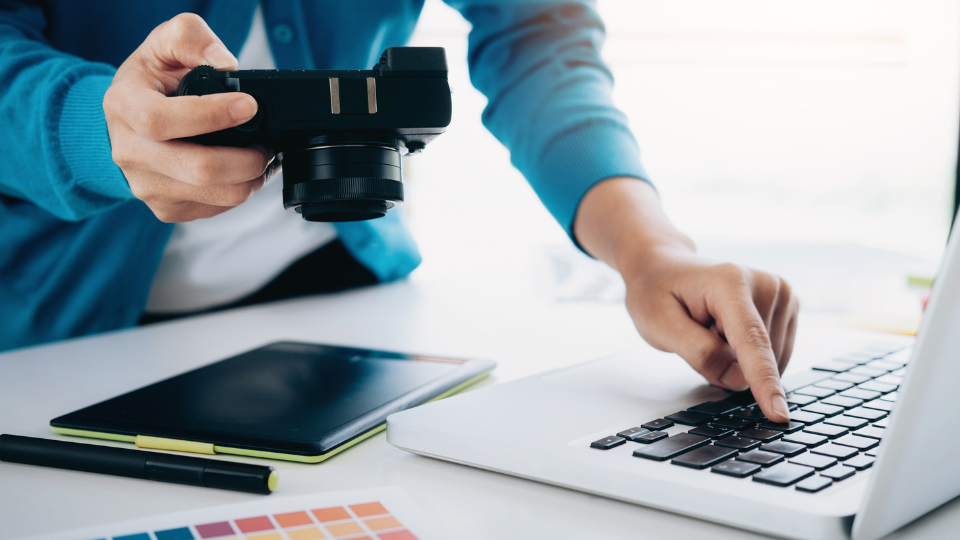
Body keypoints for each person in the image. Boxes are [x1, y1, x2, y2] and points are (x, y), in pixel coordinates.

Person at [0, 1, 797, 422]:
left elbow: (534, 33)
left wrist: (648, 248)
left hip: (349, 298)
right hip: (60, 328)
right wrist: (91, 128)